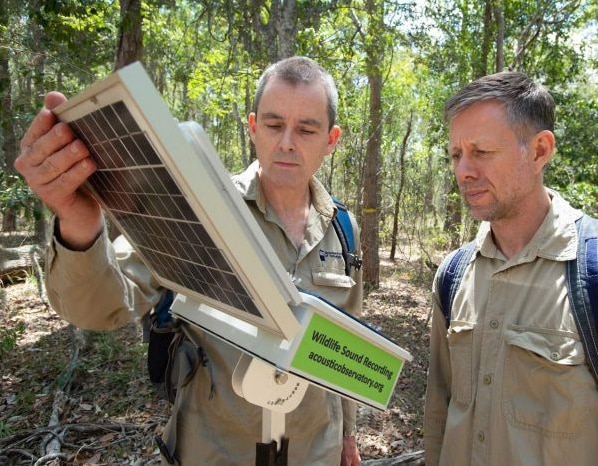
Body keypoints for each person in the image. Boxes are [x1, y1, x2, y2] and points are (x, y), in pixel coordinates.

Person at [15, 56, 363, 465]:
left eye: (306, 129)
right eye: (273, 125)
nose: (287, 141)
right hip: (216, 452)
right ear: (252, 128)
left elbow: (345, 341)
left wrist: (347, 435)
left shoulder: (343, 227)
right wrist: (78, 220)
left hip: (314, 451)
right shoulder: (199, 208)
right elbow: (102, 307)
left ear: (331, 139)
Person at [424, 71, 598, 465]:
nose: (463, 171)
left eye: (481, 152)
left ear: (539, 151)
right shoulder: (453, 276)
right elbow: (440, 415)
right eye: (456, 154)